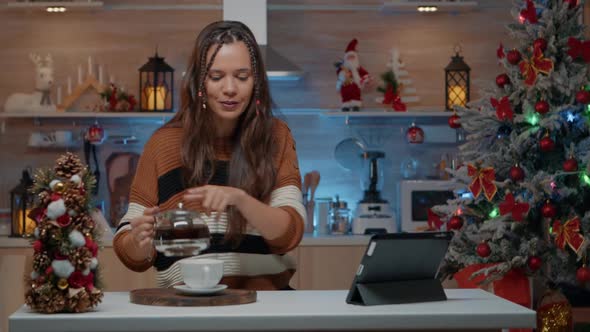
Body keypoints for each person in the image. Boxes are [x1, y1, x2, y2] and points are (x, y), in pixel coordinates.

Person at [113, 21, 306, 290]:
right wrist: (138, 240)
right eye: (217, 77)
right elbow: (130, 250)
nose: (230, 88)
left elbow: (290, 233)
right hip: (187, 312)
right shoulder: (164, 143)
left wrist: (240, 200)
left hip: (265, 306)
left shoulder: (276, 136)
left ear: (257, 82)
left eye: (242, 76)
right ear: (200, 83)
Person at [336, 38, 372, 112]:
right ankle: (345, 106)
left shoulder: (358, 68)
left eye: (352, 57)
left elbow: (365, 74)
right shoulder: (343, 68)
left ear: (356, 58)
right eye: (349, 57)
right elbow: (338, 72)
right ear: (346, 59)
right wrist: (341, 72)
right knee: (345, 96)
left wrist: (366, 79)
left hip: (355, 86)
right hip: (345, 85)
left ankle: (356, 106)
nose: (351, 59)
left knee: (356, 95)